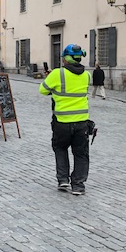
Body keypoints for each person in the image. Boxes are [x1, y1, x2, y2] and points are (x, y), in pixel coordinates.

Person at [39, 44, 91, 195]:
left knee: (60, 148)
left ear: (66, 59)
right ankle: (78, 185)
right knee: (81, 153)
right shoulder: (87, 75)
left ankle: (63, 180)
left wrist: (50, 79)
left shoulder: (57, 74)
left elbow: (43, 90)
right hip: (82, 121)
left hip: (61, 121)